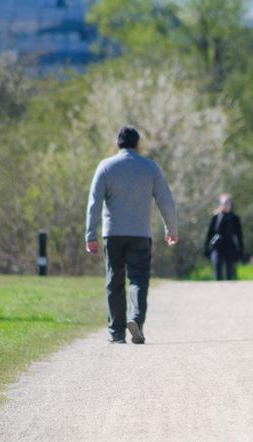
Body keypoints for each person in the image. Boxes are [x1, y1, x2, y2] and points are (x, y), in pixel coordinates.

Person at [85, 126, 179, 344]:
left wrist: (90, 235)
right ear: (138, 144)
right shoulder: (149, 168)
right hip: (140, 234)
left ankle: (116, 333)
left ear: (118, 144)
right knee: (138, 279)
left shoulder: (105, 167)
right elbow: (166, 200)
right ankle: (135, 319)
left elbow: (94, 203)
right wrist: (171, 229)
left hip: (113, 234)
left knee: (114, 280)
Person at [203, 194, 244, 281]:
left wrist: (241, 251)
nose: (226, 205)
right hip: (218, 246)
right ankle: (218, 289)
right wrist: (206, 247)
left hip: (230, 246)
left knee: (230, 270)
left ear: (231, 204)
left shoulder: (235, 218)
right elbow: (209, 233)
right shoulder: (216, 217)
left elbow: (239, 236)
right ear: (220, 204)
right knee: (217, 266)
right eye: (224, 203)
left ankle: (228, 290)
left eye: (227, 203)